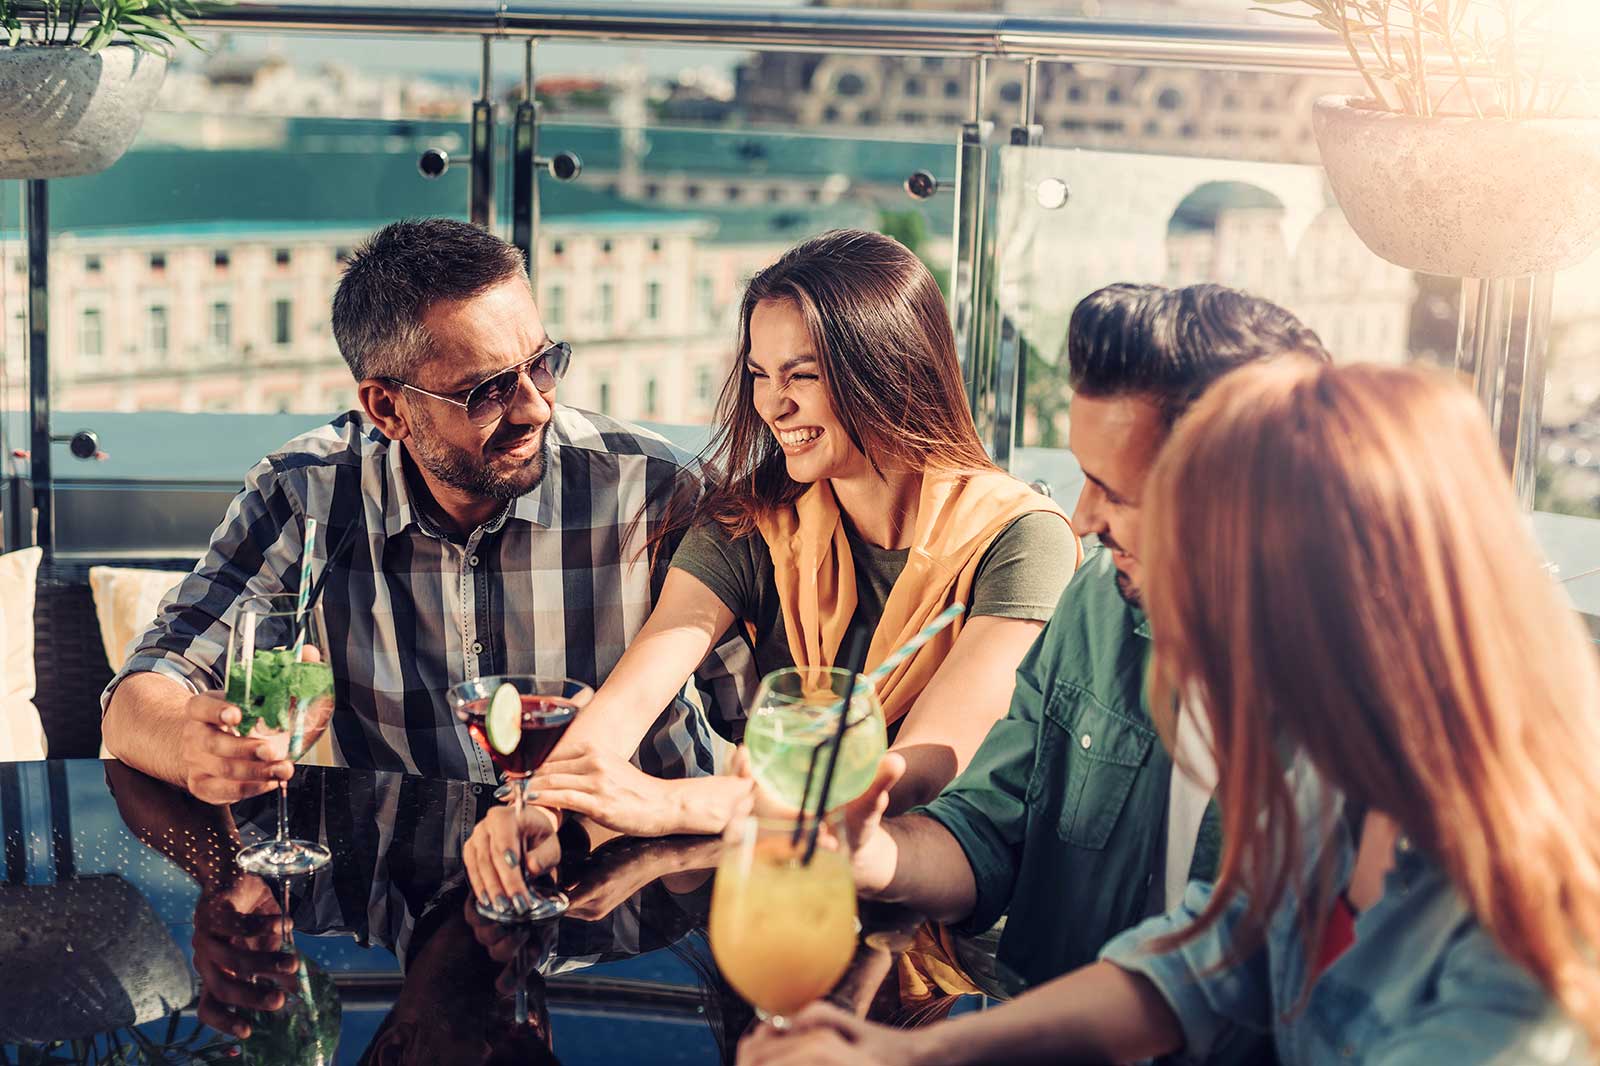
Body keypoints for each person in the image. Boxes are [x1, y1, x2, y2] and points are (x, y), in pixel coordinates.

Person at [738, 360, 1600, 1066]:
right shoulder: (1339, 783)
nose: (1175, 614)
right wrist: (912, 1055)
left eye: (1213, 568)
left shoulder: (1527, 943)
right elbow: (1204, 966)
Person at [464, 229, 1080, 909]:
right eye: (760, 374)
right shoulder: (750, 520)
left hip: (943, 906)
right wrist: (542, 808)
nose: (771, 404)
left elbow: (923, 769)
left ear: (891, 369)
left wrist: (674, 803)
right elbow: (626, 703)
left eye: (802, 376)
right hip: (781, 901)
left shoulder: (1022, 540)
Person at [101, 218, 753, 803]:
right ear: (387, 408)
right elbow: (147, 685)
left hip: (635, 879)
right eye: (487, 391)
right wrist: (193, 744)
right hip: (401, 884)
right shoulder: (306, 496)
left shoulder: (657, 490)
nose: (536, 408)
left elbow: (770, 722)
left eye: (543, 365)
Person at [841, 283, 1332, 990]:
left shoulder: (1364, 709)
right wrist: (870, 854)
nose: (1081, 519)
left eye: (1116, 492)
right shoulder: (1100, 599)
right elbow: (987, 829)